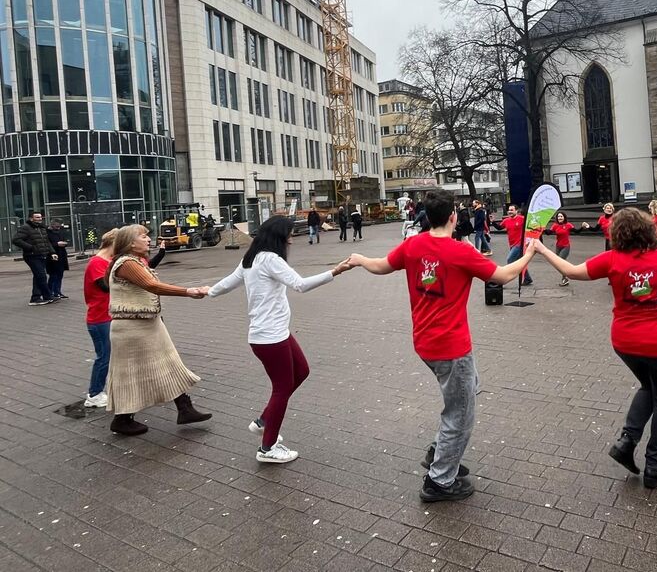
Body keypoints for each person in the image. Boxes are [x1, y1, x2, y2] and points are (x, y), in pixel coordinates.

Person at [348, 189, 536, 502]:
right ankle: (439, 481)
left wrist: (358, 259)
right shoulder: (459, 251)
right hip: (451, 348)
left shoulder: (413, 245)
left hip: (425, 343)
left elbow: (381, 265)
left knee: (468, 387)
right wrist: (529, 254)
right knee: (461, 414)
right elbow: (502, 276)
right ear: (452, 217)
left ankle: (440, 451)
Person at [532, 207, 657, 488]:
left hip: (627, 343)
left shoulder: (612, 260)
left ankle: (627, 441)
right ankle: (655, 466)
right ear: (649, 231)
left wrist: (542, 251)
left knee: (648, 387)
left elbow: (571, 271)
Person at [208, 216, 353, 463]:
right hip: (269, 337)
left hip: (275, 333)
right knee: (283, 387)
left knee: (302, 371)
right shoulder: (270, 259)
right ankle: (267, 448)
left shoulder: (251, 258)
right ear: (279, 236)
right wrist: (335, 271)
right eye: (288, 234)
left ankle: (265, 420)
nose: (291, 239)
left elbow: (228, 283)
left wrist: (208, 292)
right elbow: (300, 285)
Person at [104, 224, 212, 436]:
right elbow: (151, 285)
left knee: (169, 363)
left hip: (146, 324)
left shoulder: (134, 261)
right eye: (142, 236)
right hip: (132, 327)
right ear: (130, 243)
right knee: (130, 373)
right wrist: (188, 291)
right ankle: (122, 419)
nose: (147, 239)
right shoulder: (126, 263)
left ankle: (185, 408)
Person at [82, 229, 118, 409]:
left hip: (106, 315)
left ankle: (102, 390)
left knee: (108, 355)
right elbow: (105, 286)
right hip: (99, 317)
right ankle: (94, 393)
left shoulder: (106, 261)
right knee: (104, 355)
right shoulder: (97, 262)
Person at [12, 211, 59, 306]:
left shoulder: (42, 228)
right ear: (31, 218)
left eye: (40, 217)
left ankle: (36, 297)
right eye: (37, 217)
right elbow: (16, 240)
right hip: (32, 256)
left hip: (42, 255)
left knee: (38, 276)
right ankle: (46, 296)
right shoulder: (26, 228)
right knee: (41, 276)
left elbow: (46, 242)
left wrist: (52, 252)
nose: (40, 219)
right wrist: (30, 247)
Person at [543, 210, 590, 286]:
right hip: (558, 246)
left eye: (561, 216)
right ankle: (567, 275)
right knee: (558, 264)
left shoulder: (568, 225)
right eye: (558, 216)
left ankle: (565, 279)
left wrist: (582, 227)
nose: (560, 218)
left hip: (566, 246)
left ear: (564, 217)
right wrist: (543, 229)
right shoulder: (555, 225)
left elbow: (576, 231)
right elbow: (549, 233)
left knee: (561, 262)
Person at [492, 204, 532, 285]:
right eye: (509, 210)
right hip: (512, 245)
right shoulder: (506, 220)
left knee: (510, 259)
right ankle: (527, 278)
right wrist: (493, 222)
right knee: (520, 262)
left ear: (516, 211)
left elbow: (530, 226)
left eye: (512, 210)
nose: (510, 211)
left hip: (520, 244)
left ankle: (504, 278)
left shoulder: (522, 219)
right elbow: (499, 228)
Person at [46, 218, 71, 300]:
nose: (58, 228)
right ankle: (51, 292)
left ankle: (57, 292)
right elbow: (47, 245)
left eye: (59, 226)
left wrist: (64, 243)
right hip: (52, 256)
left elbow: (64, 241)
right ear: (52, 225)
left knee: (60, 275)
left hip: (61, 255)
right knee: (53, 275)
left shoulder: (60, 232)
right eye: (57, 226)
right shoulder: (47, 233)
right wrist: (57, 244)